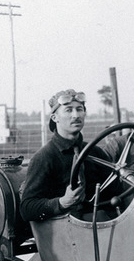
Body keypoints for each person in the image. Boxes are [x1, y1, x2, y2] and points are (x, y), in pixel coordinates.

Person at [20, 89, 117, 222]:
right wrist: (62, 202)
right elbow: (27, 208)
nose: (76, 115)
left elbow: (117, 192)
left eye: (79, 109)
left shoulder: (95, 152)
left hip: (100, 225)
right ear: (55, 118)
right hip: (65, 232)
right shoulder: (44, 157)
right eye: (68, 110)